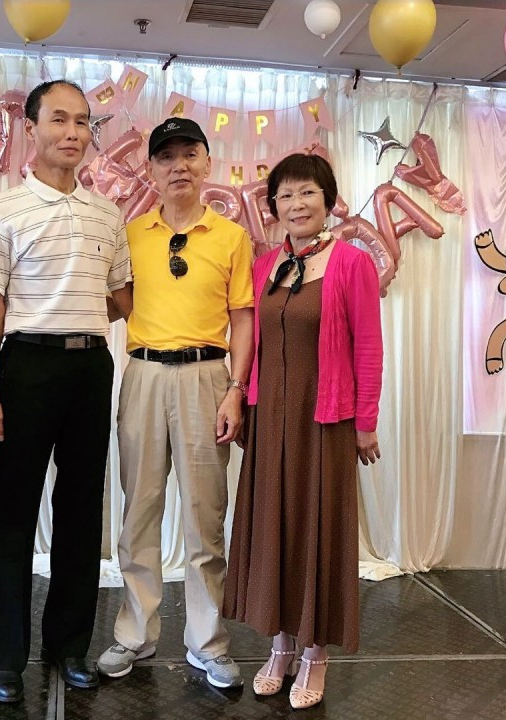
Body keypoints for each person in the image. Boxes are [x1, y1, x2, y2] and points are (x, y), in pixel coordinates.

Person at [0, 79, 132, 702]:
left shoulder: (108, 212)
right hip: (25, 368)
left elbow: (122, 297)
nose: (73, 133)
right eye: (59, 120)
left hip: (90, 368)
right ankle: (3, 657)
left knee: (81, 510)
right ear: (32, 128)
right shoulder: (5, 209)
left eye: (82, 122)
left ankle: (68, 646)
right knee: (13, 510)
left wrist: (79, 316)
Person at [97, 118, 254, 689]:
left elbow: (243, 317)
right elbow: (111, 304)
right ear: (151, 170)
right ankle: (134, 634)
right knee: (138, 508)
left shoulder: (232, 237)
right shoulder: (130, 233)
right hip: (142, 373)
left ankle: (207, 642)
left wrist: (237, 389)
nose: (179, 166)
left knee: (204, 515)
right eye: (166, 157)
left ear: (207, 164)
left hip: (208, 377)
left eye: (190, 154)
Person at [223, 153, 383, 708]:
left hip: (326, 420)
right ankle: (280, 646)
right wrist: (241, 399)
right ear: (273, 207)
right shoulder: (264, 265)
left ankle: (315, 654)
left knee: (318, 532)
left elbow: (368, 346)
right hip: (270, 421)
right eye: (285, 195)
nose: (297, 204)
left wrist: (366, 422)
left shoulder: (353, 264)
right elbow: (250, 340)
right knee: (275, 530)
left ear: (328, 200)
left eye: (308, 192)